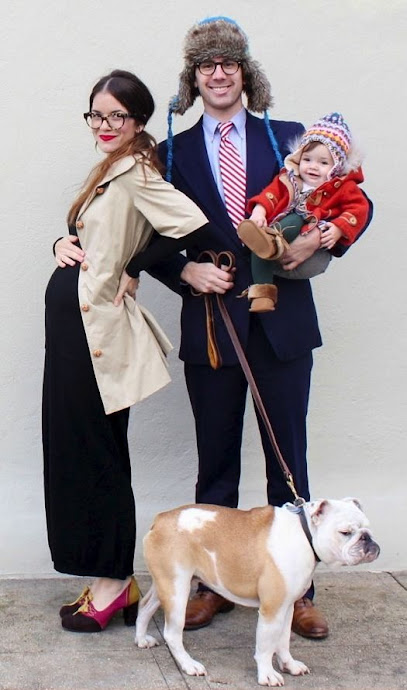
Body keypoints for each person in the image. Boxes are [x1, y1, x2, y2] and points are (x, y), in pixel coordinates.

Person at [148, 17, 373, 639]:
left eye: (229, 63)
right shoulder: (171, 153)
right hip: (213, 322)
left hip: (284, 324)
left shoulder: (291, 139)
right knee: (215, 463)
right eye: (206, 65)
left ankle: (298, 592)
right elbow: (143, 235)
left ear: (245, 73)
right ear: (193, 79)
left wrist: (324, 235)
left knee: (287, 460)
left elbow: (354, 198)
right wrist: (184, 270)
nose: (218, 74)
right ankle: (214, 584)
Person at [44, 69, 210, 633]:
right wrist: (62, 241)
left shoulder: (137, 171)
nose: (105, 124)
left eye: (118, 115)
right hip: (75, 335)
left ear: (138, 121)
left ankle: (113, 584)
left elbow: (190, 223)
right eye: (97, 114)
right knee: (77, 452)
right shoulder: (108, 170)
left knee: (98, 457)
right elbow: (92, 235)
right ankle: (112, 579)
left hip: (98, 340)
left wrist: (135, 266)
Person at [237, 111, 370, 311]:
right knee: (260, 251)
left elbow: (359, 208)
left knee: (297, 218)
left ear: (337, 167)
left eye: (323, 163)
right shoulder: (289, 179)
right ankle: (263, 295)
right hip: (276, 232)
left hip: (307, 229)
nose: (313, 167)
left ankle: (269, 241)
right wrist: (259, 212)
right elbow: (270, 195)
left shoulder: (341, 187)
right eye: (307, 159)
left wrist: (338, 228)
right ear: (298, 158)